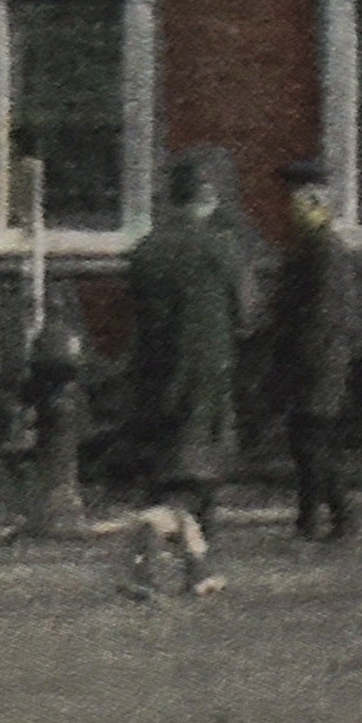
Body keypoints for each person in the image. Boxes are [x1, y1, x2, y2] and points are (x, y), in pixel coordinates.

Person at [116, 150, 243, 597]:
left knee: (170, 470)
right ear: (207, 197)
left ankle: (191, 569)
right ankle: (163, 548)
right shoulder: (220, 249)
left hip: (153, 375)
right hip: (206, 376)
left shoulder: (146, 251)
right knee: (193, 476)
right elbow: (245, 312)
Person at [263, 158, 362, 542]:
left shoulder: (324, 251)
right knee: (306, 440)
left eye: (298, 206)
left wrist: (295, 365)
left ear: (315, 205)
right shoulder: (313, 247)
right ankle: (309, 519)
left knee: (312, 441)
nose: (291, 213)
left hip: (317, 361)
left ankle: (340, 515)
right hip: (315, 359)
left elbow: (322, 314)